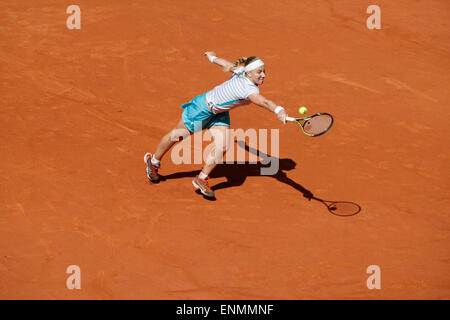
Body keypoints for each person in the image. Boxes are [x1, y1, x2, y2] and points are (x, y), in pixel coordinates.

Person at [144, 51, 288, 198]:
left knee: (224, 145)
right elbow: (263, 102)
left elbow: (226, 64)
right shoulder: (249, 89)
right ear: (249, 72)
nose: (263, 75)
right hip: (201, 109)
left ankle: (201, 178)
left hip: (219, 113)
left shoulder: (241, 72)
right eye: (259, 72)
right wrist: (279, 110)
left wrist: (213, 58)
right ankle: (153, 161)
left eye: (264, 71)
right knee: (178, 136)